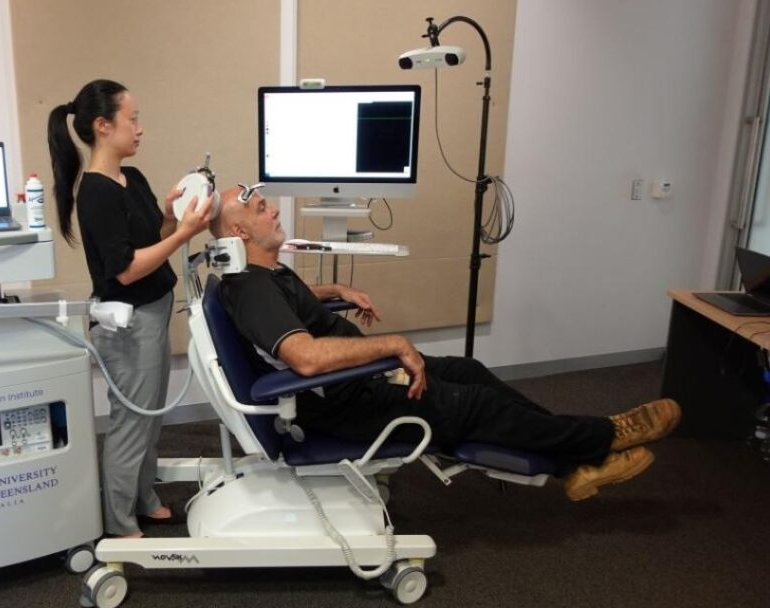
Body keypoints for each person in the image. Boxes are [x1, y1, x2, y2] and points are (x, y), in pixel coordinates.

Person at [208, 186, 680, 501]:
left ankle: (577, 464)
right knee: (471, 405)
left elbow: (290, 304)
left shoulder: (263, 273)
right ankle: (606, 435)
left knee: (468, 372)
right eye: (258, 208)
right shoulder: (250, 288)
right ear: (239, 232)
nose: (272, 208)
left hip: (354, 384)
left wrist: (335, 292)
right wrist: (391, 344)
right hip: (347, 401)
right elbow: (305, 358)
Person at [47, 80, 213, 537]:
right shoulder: (96, 192)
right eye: (132, 119)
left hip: (154, 308)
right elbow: (124, 270)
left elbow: (149, 239)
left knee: (150, 417)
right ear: (103, 126)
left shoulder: (131, 178)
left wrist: (169, 216)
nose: (139, 129)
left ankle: (144, 497)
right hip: (128, 322)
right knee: (130, 423)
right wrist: (186, 233)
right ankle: (119, 521)